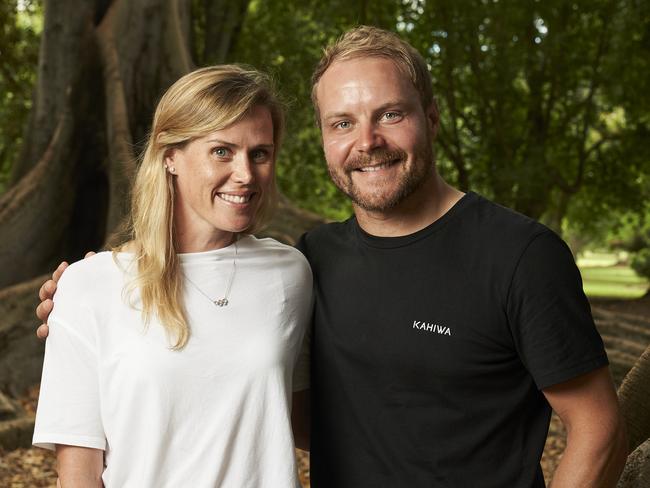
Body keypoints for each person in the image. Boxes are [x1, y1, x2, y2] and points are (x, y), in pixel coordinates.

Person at [38, 26, 628, 487]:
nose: (366, 141)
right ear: (324, 137)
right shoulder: (313, 261)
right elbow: (272, 399)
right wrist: (86, 292)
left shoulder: (520, 256)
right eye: (342, 122)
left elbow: (598, 429)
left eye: (390, 114)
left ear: (432, 117)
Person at [32, 65, 313, 487]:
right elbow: (78, 472)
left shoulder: (290, 274)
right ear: (170, 157)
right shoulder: (89, 285)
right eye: (222, 151)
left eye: (260, 153)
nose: (246, 174)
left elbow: (305, 419)